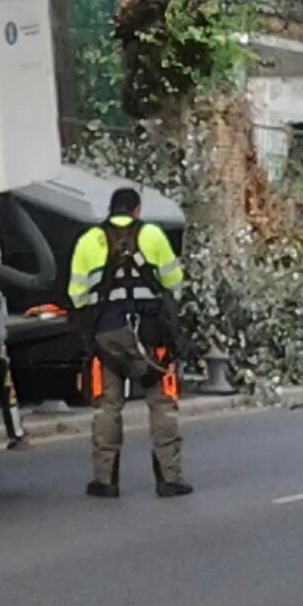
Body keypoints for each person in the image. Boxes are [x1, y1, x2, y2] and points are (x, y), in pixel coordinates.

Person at [67, 186, 191, 499]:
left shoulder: (88, 240)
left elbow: (76, 295)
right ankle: (169, 478)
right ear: (136, 211)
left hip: (107, 336)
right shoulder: (153, 235)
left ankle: (105, 480)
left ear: (111, 210)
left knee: (107, 407)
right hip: (150, 335)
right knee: (161, 403)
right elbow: (174, 283)